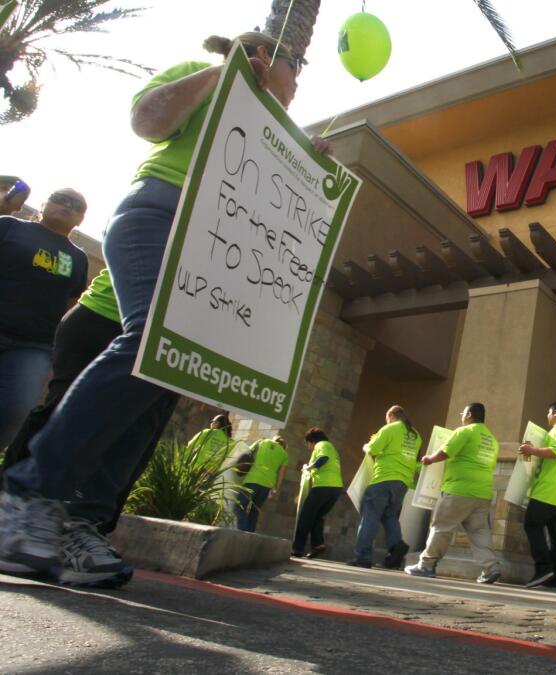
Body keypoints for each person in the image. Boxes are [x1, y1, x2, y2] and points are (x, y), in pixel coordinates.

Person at [0, 30, 325, 588]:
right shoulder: (198, 75)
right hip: (161, 212)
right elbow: (148, 123)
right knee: (154, 338)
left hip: (221, 245)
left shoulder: (283, 136)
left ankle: (81, 521)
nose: (298, 80)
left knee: (165, 374)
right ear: (270, 59)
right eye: (297, 65)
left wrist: (314, 175)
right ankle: (29, 494)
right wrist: (223, 77)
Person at [0, 268, 179, 536]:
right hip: (105, 317)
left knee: (137, 435)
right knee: (60, 411)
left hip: (173, 340)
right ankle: (11, 505)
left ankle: (87, 530)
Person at [0, 188, 89, 452]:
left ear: (80, 220)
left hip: (33, 346)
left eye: (76, 205)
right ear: (44, 203)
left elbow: (72, 303)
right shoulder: (10, 227)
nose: (67, 205)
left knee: (15, 410)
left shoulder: (78, 257)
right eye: (60, 199)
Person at [405, 403, 501, 584]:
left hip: (459, 489)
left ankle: (426, 565)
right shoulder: (492, 440)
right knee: (479, 531)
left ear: (470, 414)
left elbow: (446, 451)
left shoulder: (465, 431)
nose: (461, 415)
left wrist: (429, 459)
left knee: (442, 526)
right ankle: (491, 568)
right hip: (482, 492)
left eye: (463, 412)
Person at [518, 400, 556, 590]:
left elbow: (555, 452)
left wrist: (531, 450)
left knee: (531, 523)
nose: (547, 416)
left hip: (549, 492)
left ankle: (544, 568)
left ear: (554, 412)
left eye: (548, 412)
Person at [349, 405, 421, 569]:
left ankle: (363, 557)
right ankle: (396, 548)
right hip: (402, 482)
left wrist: (366, 446)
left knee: (370, 517)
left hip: (383, 479)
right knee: (390, 516)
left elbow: (373, 449)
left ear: (390, 416)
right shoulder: (416, 435)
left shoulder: (390, 429)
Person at [293, 428, 343, 558]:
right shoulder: (332, 448)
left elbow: (323, 459)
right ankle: (318, 544)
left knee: (305, 516)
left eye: (307, 444)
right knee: (317, 516)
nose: (308, 447)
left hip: (324, 486)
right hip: (335, 488)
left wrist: (308, 467)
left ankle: (297, 548)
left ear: (312, 441)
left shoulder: (322, 445)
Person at [235, 435, 288, 533]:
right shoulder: (284, 454)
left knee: (239, 506)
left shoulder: (262, 442)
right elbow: (282, 474)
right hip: (267, 485)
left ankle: (243, 530)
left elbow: (247, 452)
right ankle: (249, 534)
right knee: (254, 511)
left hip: (252, 479)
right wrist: (276, 488)